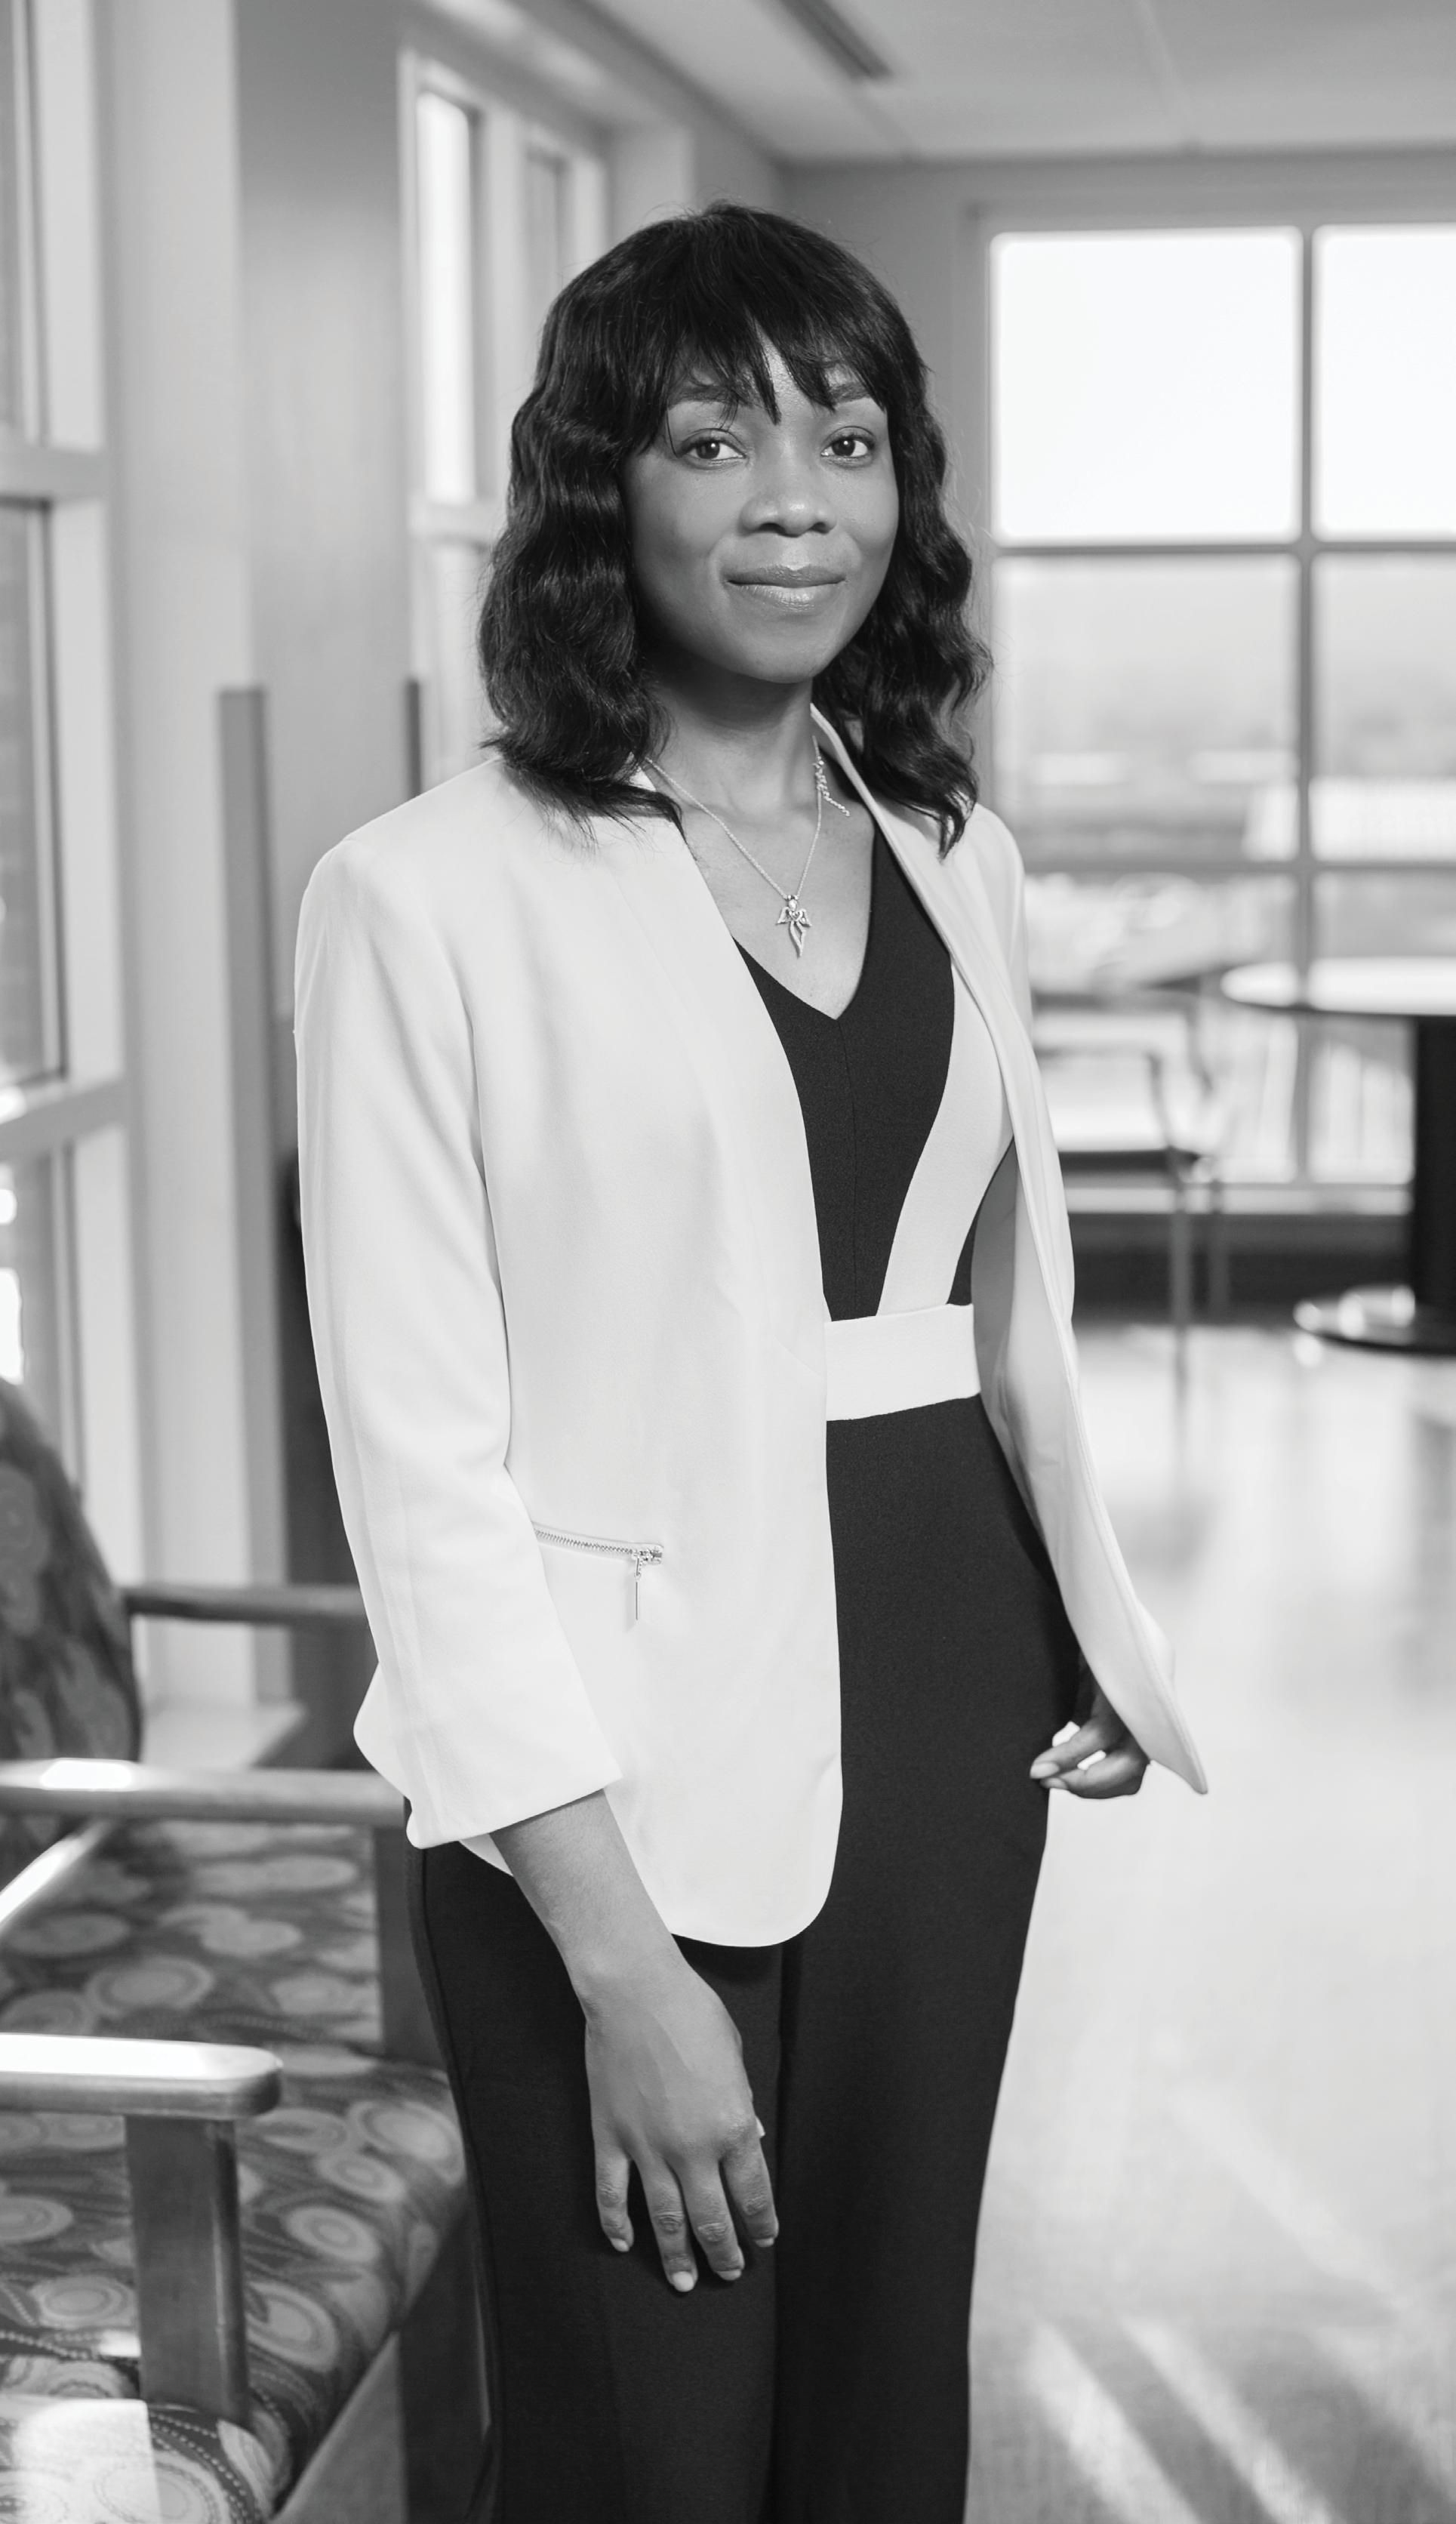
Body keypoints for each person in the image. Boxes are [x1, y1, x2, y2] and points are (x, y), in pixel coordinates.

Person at [295, 202, 1206, 2524]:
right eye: (712, 441)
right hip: (601, 1764)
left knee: (880, 2384)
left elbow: (993, 1295)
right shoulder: (423, 894)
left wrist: (1079, 1613)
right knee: (647, 2435)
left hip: (946, 1695)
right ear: (600, 491)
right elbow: (420, 1469)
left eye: (847, 438)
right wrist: (616, 1961)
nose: (793, 498)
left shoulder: (951, 849)